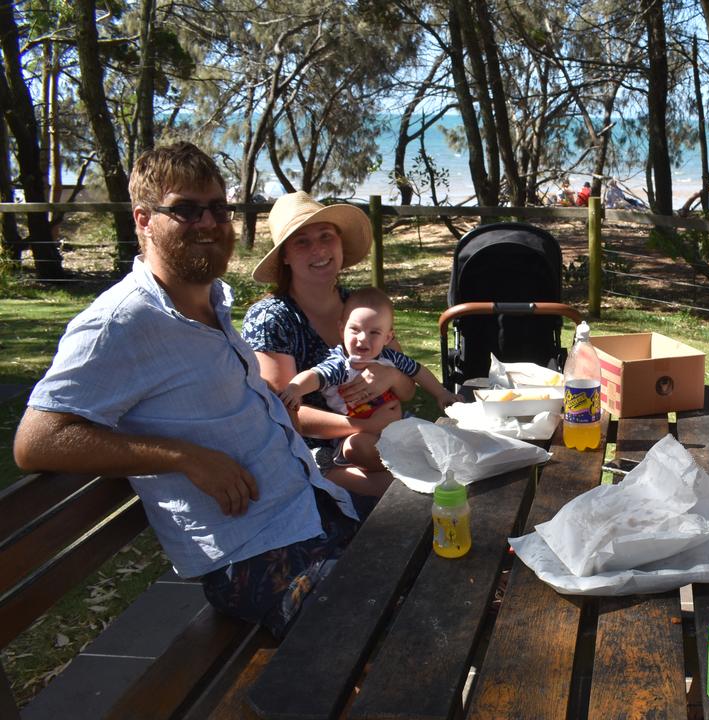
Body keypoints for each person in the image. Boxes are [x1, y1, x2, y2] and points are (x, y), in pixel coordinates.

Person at [13, 142, 360, 637]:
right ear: (143, 219)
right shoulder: (119, 323)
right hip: (254, 555)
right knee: (378, 625)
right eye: (186, 209)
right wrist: (184, 457)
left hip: (309, 510)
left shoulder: (211, 300)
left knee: (429, 573)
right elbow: (36, 441)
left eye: (218, 208)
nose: (208, 222)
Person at [242, 191, 415, 500]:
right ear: (284, 256)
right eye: (302, 241)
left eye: (326, 236)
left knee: (442, 471)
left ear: (340, 243)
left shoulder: (360, 305)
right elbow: (285, 414)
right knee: (407, 493)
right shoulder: (272, 319)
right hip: (317, 452)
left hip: (384, 436)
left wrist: (393, 378)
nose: (318, 249)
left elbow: (405, 383)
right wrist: (362, 424)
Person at [278, 286, 460, 470]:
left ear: (388, 337)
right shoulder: (341, 364)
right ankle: (404, 465)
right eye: (355, 330)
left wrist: (441, 393)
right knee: (356, 446)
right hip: (356, 433)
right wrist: (295, 388)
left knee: (429, 434)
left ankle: (421, 459)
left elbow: (418, 371)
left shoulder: (390, 358)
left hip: (396, 424)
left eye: (374, 332)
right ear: (342, 330)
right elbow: (315, 376)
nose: (363, 338)